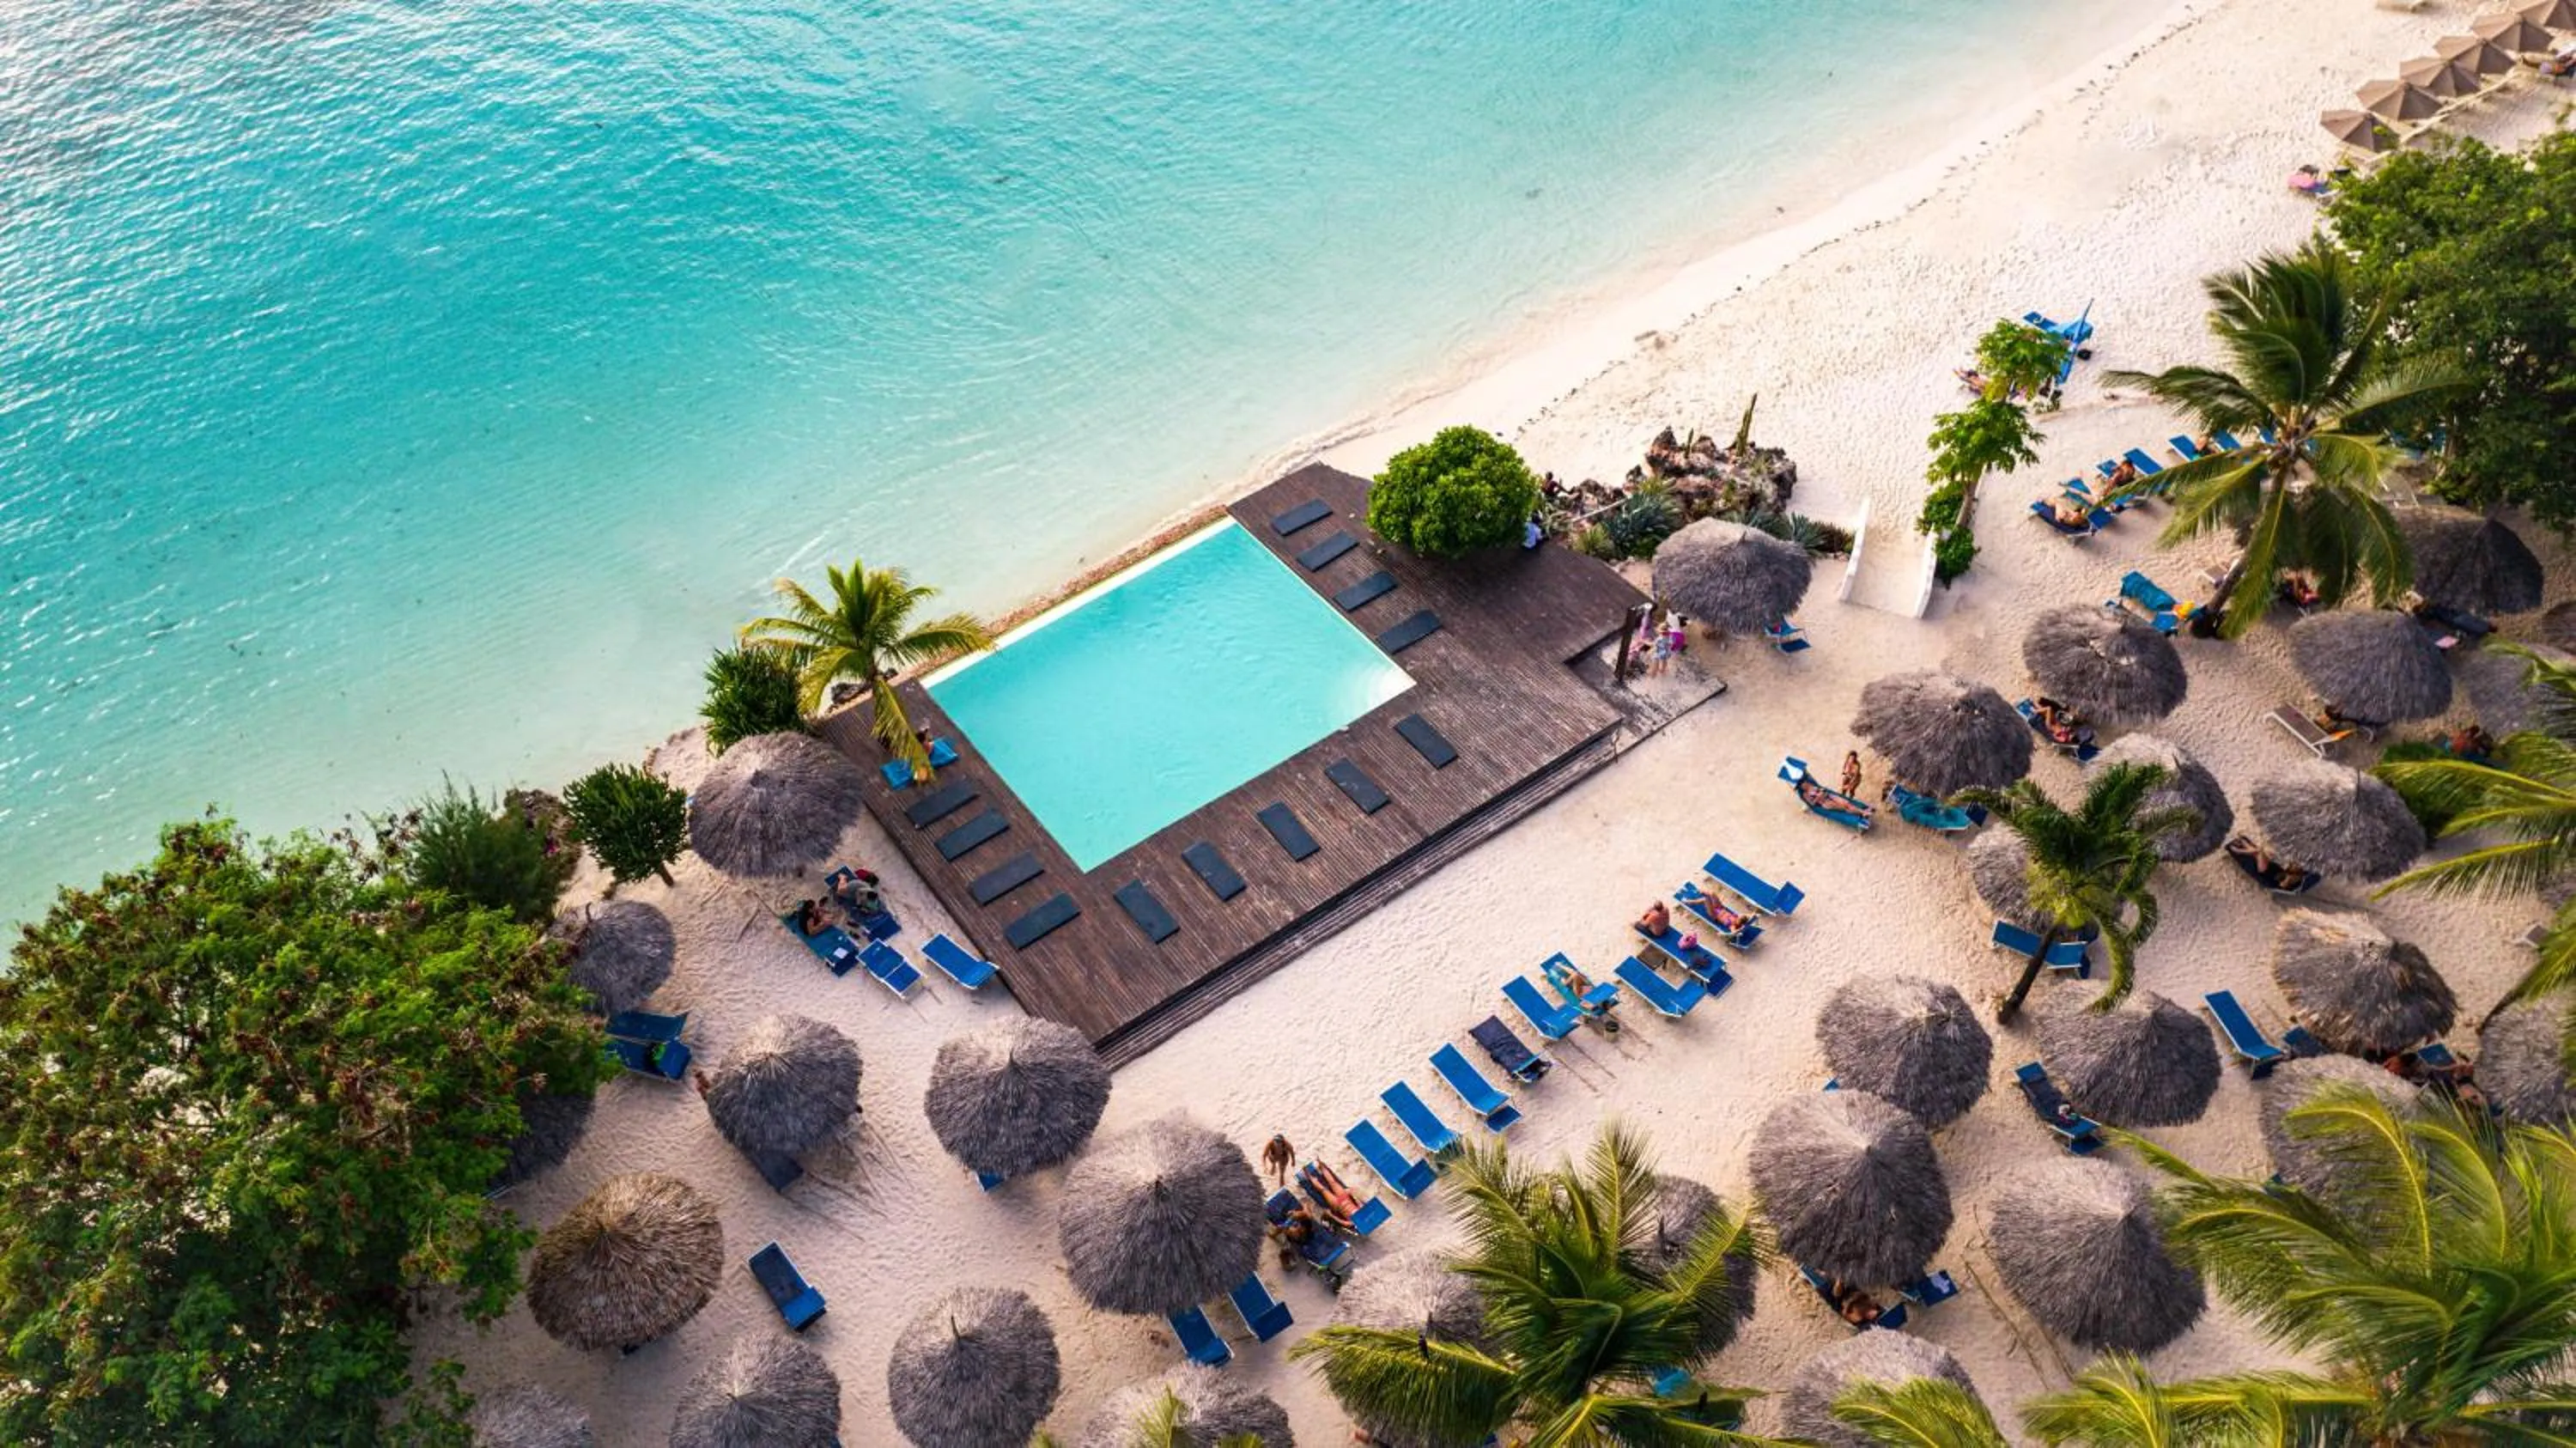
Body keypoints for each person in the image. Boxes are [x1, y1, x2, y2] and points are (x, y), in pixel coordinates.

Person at [1302, 1163, 1363, 1233]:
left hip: (1338, 1204)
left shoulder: (1352, 1223)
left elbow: (1341, 1222)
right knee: (1330, 1184)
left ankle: (1310, 1175)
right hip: (1344, 1199)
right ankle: (1320, 1166)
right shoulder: (1361, 1214)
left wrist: (1331, 1215)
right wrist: (1352, 1193)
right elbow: (1358, 1201)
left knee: (1324, 1189)